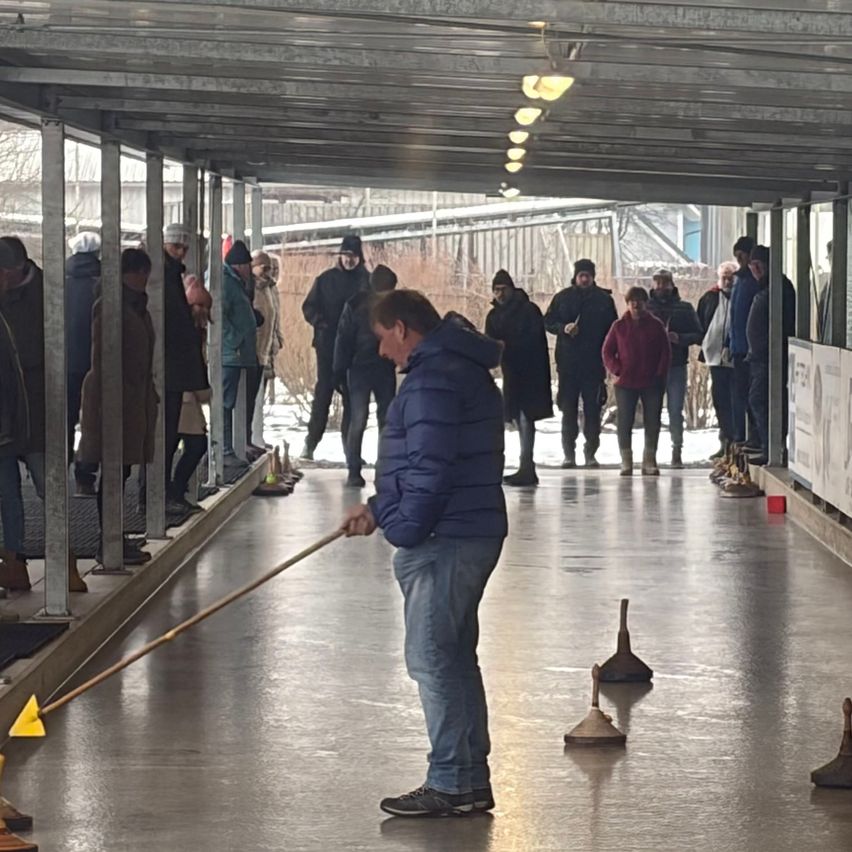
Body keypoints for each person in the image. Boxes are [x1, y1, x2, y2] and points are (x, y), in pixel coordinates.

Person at [341, 290, 507, 818]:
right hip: (462, 529)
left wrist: (404, 527)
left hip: (446, 537)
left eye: (383, 339)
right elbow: (420, 463)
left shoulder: (434, 378)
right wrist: (378, 507)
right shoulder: (452, 369)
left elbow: (431, 470)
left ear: (402, 329)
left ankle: (453, 781)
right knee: (453, 657)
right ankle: (467, 780)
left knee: (433, 659)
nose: (384, 353)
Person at [78, 248, 158, 566]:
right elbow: (103, 358)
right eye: (141, 274)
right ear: (129, 274)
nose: (144, 281)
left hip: (132, 399)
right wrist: (117, 394)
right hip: (114, 400)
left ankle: (114, 535)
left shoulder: (136, 307)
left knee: (121, 469)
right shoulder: (111, 308)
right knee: (113, 470)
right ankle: (108, 539)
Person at [300, 235, 369, 460]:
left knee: (353, 399)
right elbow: (308, 307)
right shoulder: (325, 280)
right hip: (327, 346)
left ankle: (351, 451)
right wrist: (320, 322)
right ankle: (310, 444)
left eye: (353, 256)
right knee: (323, 395)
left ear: (360, 258)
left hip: (355, 350)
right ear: (340, 256)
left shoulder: (366, 282)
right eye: (346, 256)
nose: (349, 260)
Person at [544, 258, 617, 469]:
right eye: (581, 275)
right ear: (575, 277)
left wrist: (611, 360)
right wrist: (563, 328)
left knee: (593, 411)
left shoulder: (604, 300)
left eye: (588, 275)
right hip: (567, 364)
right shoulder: (562, 298)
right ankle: (568, 453)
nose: (584, 279)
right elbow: (547, 321)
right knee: (568, 410)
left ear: (593, 277)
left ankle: (591, 452)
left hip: (594, 364)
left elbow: (613, 330)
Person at [333, 263, 398, 488]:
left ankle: (360, 471)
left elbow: (343, 338)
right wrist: (340, 370)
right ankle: (372, 470)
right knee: (372, 420)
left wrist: (340, 370)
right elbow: (344, 338)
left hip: (365, 367)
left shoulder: (356, 304)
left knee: (363, 420)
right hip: (370, 368)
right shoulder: (374, 306)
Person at [485, 269, 552, 486]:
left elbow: (532, 340)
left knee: (526, 417)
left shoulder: (528, 310)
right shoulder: (494, 316)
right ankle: (524, 465)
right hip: (512, 372)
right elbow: (490, 343)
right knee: (516, 417)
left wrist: (506, 347)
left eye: (503, 289)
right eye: (496, 290)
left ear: (512, 289)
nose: (500, 294)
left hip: (531, 371)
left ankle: (527, 465)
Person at [163, 223, 210, 505]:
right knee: (189, 443)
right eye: (175, 246)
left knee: (174, 442)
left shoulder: (173, 280)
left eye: (184, 247)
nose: (180, 252)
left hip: (182, 384)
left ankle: (169, 492)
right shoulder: (167, 282)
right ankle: (170, 493)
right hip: (177, 383)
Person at [602, 286, 671, 476]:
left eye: (640, 301)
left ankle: (649, 460)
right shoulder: (618, 326)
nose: (636, 304)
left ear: (646, 303)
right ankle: (626, 461)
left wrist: (660, 374)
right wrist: (617, 369)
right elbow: (607, 351)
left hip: (652, 382)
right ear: (627, 304)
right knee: (624, 422)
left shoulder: (656, 325)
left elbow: (665, 352)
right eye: (632, 301)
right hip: (625, 383)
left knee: (652, 421)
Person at [0, 237, 45, 502]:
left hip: (34, 399)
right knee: (7, 484)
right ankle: (13, 541)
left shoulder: (45, 294)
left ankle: (57, 535)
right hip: (8, 404)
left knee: (42, 471)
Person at [0, 240, 34, 591]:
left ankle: (13, 559)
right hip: (7, 424)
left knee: (10, 492)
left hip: (8, 424)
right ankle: (13, 559)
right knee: (10, 493)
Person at [647, 269, 704, 469]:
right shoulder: (645, 308)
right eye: (658, 283)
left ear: (672, 285)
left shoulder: (684, 308)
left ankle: (676, 450)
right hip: (650, 367)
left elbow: (698, 334)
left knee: (675, 410)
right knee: (651, 411)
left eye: (665, 283)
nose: (662, 287)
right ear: (653, 286)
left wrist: (680, 338)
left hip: (676, 365)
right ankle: (650, 453)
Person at [745, 245, 796, 465]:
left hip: (770, 356)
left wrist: (764, 349)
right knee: (759, 400)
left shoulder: (779, 288)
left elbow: (780, 324)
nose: (754, 271)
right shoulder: (767, 288)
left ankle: (772, 447)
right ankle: (768, 445)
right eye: (751, 267)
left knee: (762, 400)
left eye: (757, 266)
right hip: (760, 356)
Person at [66, 231, 101, 496]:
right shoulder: (102, 283)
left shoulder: (58, 280)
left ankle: (55, 473)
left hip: (64, 362)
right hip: (95, 362)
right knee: (92, 420)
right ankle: (85, 477)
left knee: (63, 419)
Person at [222, 240, 262, 461]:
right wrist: (235, 340)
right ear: (240, 266)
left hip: (241, 354)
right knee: (227, 402)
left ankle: (239, 444)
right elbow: (221, 316)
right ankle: (226, 448)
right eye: (248, 265)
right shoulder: (227, 284)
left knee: (240, 401)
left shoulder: (238, 284)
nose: (250, 269)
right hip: (232, 355)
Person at [698, 261, 738, 458]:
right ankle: (724, 442)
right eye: (724, 278)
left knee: (735, 400)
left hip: (736, 359)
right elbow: (700, 323)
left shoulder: (741, 297)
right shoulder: (710, 298)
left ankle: (735, 442)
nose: (728, 281)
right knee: (720, 401)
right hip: (714, 358)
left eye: (731, 278)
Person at [728, 236, 761, 447]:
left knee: (752, 396)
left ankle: (756, 436)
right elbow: (734, 316)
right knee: (741, 395)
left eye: (742, 255)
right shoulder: (739, 280)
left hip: (749, 348)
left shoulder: (752, 282)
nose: (740, 260)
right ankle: (749, 434)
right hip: (738, 347)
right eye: (737, 256)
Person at [251, 249, 283, 446]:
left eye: (271, 268)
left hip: (267, 349)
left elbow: (275, 316)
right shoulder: (250, 288)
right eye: (264, 267)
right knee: (250, 398)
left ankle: (256, 436)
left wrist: (278, 339)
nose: (269, 272)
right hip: (253, 350)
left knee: (259, 398)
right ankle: (249, 438)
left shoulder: (271, 289)